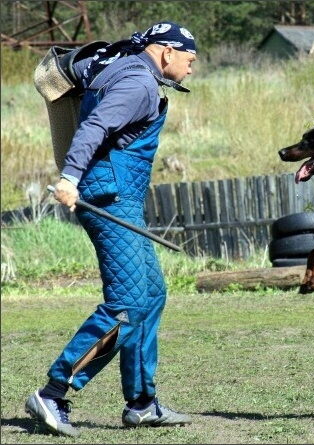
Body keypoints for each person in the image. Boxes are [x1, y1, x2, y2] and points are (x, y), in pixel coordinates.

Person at [25, 21, 197, 437]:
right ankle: (54, 392)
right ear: (167, 52)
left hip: (121, 200)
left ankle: (141, 403)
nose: (192, 68)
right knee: (128, 304)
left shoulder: (126, 70)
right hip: (107, 200)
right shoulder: (137, 84)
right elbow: (95, 126)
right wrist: (68, 178)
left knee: (151, 292)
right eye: (190, 60)